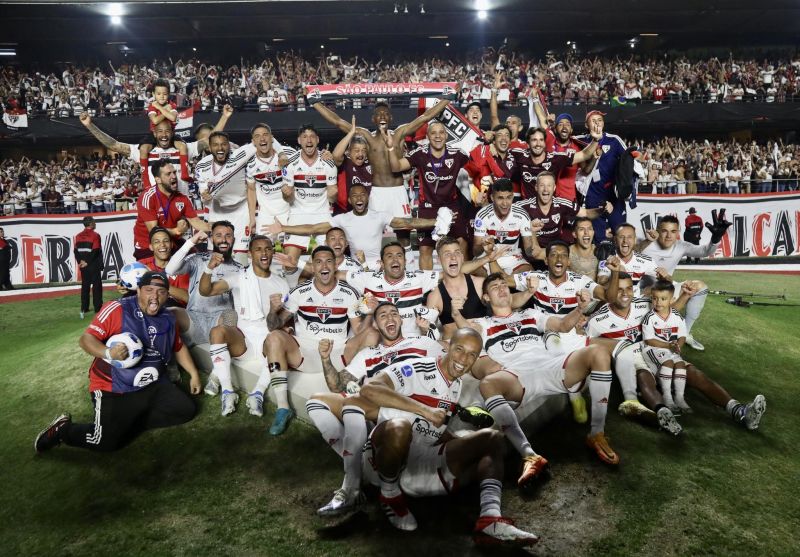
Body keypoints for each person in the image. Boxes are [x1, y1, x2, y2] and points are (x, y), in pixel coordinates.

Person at [359, 328, 540, 547]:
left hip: (419, 461)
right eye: (460, 349)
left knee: (492, 438)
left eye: (472, 355)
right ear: (448, 347)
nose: (464, 359)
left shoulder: (456, 384)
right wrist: (425, 410)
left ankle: (490, 520)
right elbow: (369, 389)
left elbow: (431, 429)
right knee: (400, 428)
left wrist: (460, 443)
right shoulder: (416, 367)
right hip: (381, 461)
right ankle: (389, 495)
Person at [455, 273, 620, 467]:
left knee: (599, 352)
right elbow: (467, 334)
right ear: (486, 298)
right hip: (518, 376)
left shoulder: (531, 314)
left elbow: (563, 326)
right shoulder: (483, 323)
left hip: (550, 366)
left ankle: (597, 433)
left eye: (503, 284)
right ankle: (529, 456)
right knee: (488, 384)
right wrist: (456, 314)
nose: (501, 288)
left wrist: (580, 308)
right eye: (494, 287)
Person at [34, 271, 202, 454]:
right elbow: (86, 340)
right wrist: (108, 352)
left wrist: (193, 374)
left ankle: (130, 422)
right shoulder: (117, 309)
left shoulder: (168, 318)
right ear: (139, 290)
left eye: (161, 292)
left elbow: (178, 346)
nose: (155, 296)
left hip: (153, 383)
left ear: (167, 295)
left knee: (186, 410)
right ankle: (63, 430)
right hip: (115, 388)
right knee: (104, 442)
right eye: (149, 290)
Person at [307, 302, 446, 517]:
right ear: (376, 325)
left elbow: (449, 362)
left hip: (411, 409)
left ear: (401, 320)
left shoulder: (422, 343)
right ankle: (360, 461)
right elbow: (337, 385)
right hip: (376, 408)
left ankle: (351, 485)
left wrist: (434, 331)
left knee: (355, 404)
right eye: (383, 315)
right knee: (316, 401)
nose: (389, 318)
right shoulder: (368, 354)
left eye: (394, 314)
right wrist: (325, 359)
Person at [313, 98, 451, 252]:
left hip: (398, 191)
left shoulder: (399, 133)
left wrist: (447, 99)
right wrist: (315, 103)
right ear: (374, 119)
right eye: (379, 114)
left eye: (385, 114)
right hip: (377, 194)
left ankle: (408, 263)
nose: (383, 116)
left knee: (404, 234)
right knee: (372, 233)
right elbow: (338, 122)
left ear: (390, 118)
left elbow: (425, 117)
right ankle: (371, 263)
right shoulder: (367, 137)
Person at [261, 246, 363, 435]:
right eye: (318, 262)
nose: (324, 266)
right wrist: (272, 311)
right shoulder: (299, 292)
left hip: (337, 355)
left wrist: (370, 314)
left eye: (329, 261)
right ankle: (283, 408)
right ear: (313, 267)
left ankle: (358, 392)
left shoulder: (350, 293)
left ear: (335, 266)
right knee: (273, 337)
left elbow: (359, 330)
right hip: (305, 354)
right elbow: (273, 326)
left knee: (370, 334)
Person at [198, 235, 290, 417]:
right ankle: (227, 392)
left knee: (281, 342)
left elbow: (284, 317)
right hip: (243, 339)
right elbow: (206, 291)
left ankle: (257, 393)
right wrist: (209, 269)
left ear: (272, 252)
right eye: (258, 249)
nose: (264, 253)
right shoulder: (239, 277)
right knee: (217, 332)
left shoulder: (281, 282)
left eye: (268, 249)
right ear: (250, 254)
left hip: (267, 338)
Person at [269, 184, 439, 270]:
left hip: (379, 267)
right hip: (353, 269)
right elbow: (313, 228)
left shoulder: (380, 216)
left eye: (362, 195)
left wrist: (436, 221)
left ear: (367, 198)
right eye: (355, 196)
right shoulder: (342, 219)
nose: (359, 198)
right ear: (350, 200)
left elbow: (408, 223)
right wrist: (283, 228)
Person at [386, 120, 473, 270]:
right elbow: (396, 167)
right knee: (425, 249)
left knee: (461, 243)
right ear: (427, 136)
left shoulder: (458, 154)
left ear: (446, 135)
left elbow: (476, 167)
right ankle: (427, 283)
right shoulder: (420, 154)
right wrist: (390, 148)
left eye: (441, 132)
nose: (437, 136)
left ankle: (462, 279)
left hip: (451, 206)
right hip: (428, 207)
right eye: (433, 133)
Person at [641, 213, 732, 350]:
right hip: (643, 293)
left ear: (678, 232)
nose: (669, 236)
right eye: (664, 231)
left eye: (673, 231)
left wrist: (716, 238)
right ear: (658, 230)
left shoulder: (681, 246)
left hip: (666, 288)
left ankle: (685, 332)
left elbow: (704, 251)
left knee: (699, 287)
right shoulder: (646, 244)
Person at [164, 222, 243, 349]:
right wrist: (191, 242)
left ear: (233, 240)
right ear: (211, 239)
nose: (223, 240)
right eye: (218, 235)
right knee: (170, 313)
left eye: (228, 236)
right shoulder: (198, 259)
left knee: (231, 315)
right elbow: (170, 269)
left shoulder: (240, 269)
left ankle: (221, 352)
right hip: (193, 318)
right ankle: (167, 360)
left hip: (220, 320)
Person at [194, 131, 260, 262]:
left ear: (229, 145)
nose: (220, 148)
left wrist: (281, 153)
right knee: (217, 257)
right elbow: (204, 194)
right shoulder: (201, 165)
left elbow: (263, 138)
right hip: (217, 212)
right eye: (215, 145)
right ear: (209, 147)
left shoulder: (239, 155)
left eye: (224, 144)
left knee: (240, 258)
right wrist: (205, 196)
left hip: (241, 212)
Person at [278, 124, 338, 266]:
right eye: (305, 137)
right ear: (299, 140)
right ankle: (306, 274)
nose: (309, 140)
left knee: (327, 261)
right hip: (298, 213)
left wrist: (333, 194)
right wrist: (286, 194)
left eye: (312, 137)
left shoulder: (328, 163)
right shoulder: (290, 163)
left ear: (317, 140)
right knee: (289, 264)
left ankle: (315, 275)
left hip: (322, 214)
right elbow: (288, 199)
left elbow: (332, 198)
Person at [132, 159, 210, 260]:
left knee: (197, 260)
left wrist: (215, 227)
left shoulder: (182, 198)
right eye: (168, 174)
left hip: (171, 242)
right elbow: (154, 231)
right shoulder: (148, 197)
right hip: (148, 245)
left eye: (174, 172)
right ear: (158, 179)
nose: (174, 176)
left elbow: (196, 222)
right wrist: (176, 230)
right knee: (161, 269)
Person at [642, 281, 691, 413]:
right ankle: (667, 397)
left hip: (670, 348)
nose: (658, 302)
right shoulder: (649, 317)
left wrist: (678, 346)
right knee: (668, 363)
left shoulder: (677, 316)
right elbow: (649, 340)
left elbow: (682, 335)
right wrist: (669, 345)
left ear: (672, 300)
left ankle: (679, 398)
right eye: (655, 298)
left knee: (680, 364)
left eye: (663, 299)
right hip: (652, 348)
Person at [472, 178, 534, 275]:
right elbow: (476, 252)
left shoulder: (522, 215)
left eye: (508, 197)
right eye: (500, 198)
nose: (505, 203)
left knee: (529, 275)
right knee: (476, 274)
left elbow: (529, 251)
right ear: (492, 197)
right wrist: (483, 245)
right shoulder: (482, 215)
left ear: (513, 196)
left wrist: (532, 233)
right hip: (487, 257)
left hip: (512, 258)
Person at [246, 123, 292, 238]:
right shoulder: (250, 163)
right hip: (266, 214)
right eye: (257, 136)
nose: (262, 139)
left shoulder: (287, 154)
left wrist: (325, 155)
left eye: (265, 134)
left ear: (272, 138)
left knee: (293, 247)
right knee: (261, 245)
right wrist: (252, 218)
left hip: (289, 210)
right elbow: (251, 190)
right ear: (253, 142)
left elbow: (307, 157)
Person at [137, 226, 190, 308]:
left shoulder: (182, 265)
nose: (162, 245)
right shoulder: (142, 265)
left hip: (175, 308)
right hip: (149, 307)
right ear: (151, 247)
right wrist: (124, 286)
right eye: (157, 242)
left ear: (171, 244)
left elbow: (188, 298)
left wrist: (158, 284)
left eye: (166, 241)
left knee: (165, 303)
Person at [74, 215, 103, 319]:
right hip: (93, 264)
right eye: (94, 222)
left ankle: (84, 308)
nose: (95, 223)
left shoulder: (78, 236)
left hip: (83, 265)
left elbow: (75, 251)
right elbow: (95, 251)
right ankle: (98, 308)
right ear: (91, 223)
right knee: (96, 286)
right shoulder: (95, 235)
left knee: (85, 286)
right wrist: (87, 262)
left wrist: (80, 262)